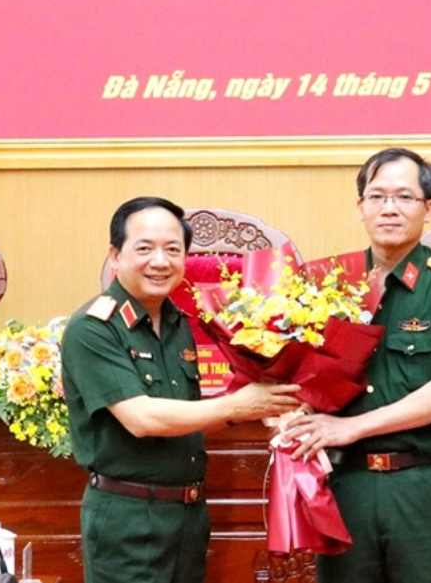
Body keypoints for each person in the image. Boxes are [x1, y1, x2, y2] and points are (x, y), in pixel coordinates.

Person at [61, 196, 300, 583]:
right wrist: (236, 406)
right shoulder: (93, 328)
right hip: (129, 519)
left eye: (173, 250)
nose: (160, 261)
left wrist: (267, 405)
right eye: (145, 248)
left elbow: (188, 418)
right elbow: (142, 418)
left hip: (187, 516)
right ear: (115, 255)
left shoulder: (179, 323)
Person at [285, 148, 431, 583]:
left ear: (428, 208)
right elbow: (293, 371)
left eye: (404, 197)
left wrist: (350, 427)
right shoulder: (326, 283)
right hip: (346, 483)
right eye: (377, 197)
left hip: (422, 486)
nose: (389, 209)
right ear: (360, 206)